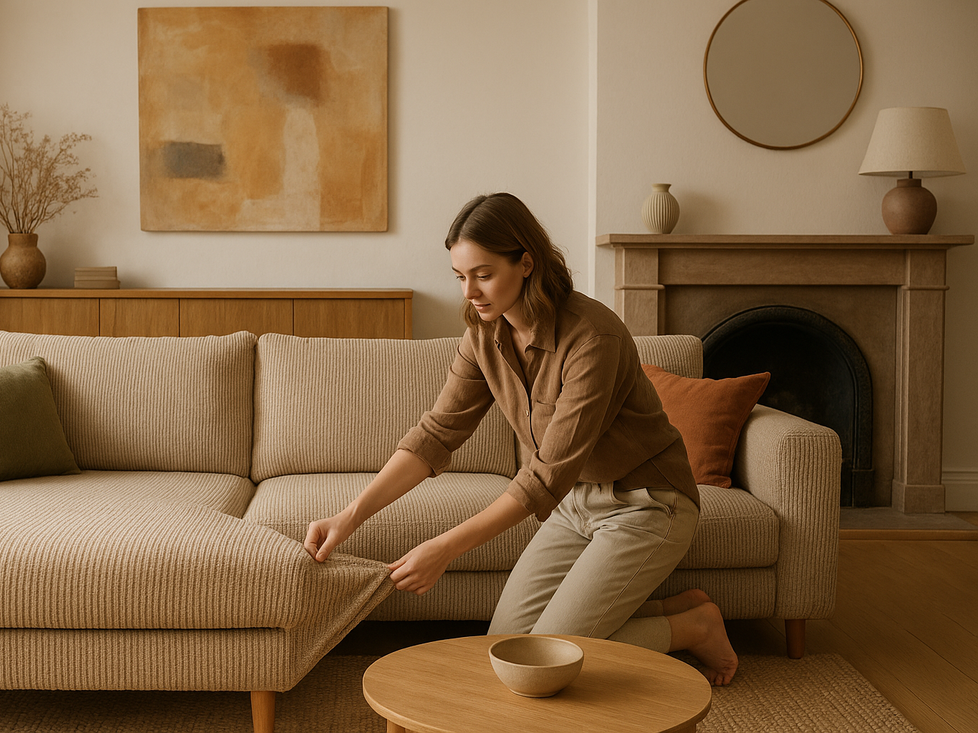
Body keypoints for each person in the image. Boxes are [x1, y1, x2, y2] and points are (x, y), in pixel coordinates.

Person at [303, 192, 738, 685]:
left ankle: (692, 626)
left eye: (483, 274)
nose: (469, 291)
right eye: (460, 276)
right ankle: (674, 608)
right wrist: (349, 516)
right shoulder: (482, 334)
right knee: (503, 648)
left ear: (526, 263)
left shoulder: (593, 338)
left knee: (537, 663)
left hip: (647, 504)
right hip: (574, 506)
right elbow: (436, 434)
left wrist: (443, 548)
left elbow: (543, 477)